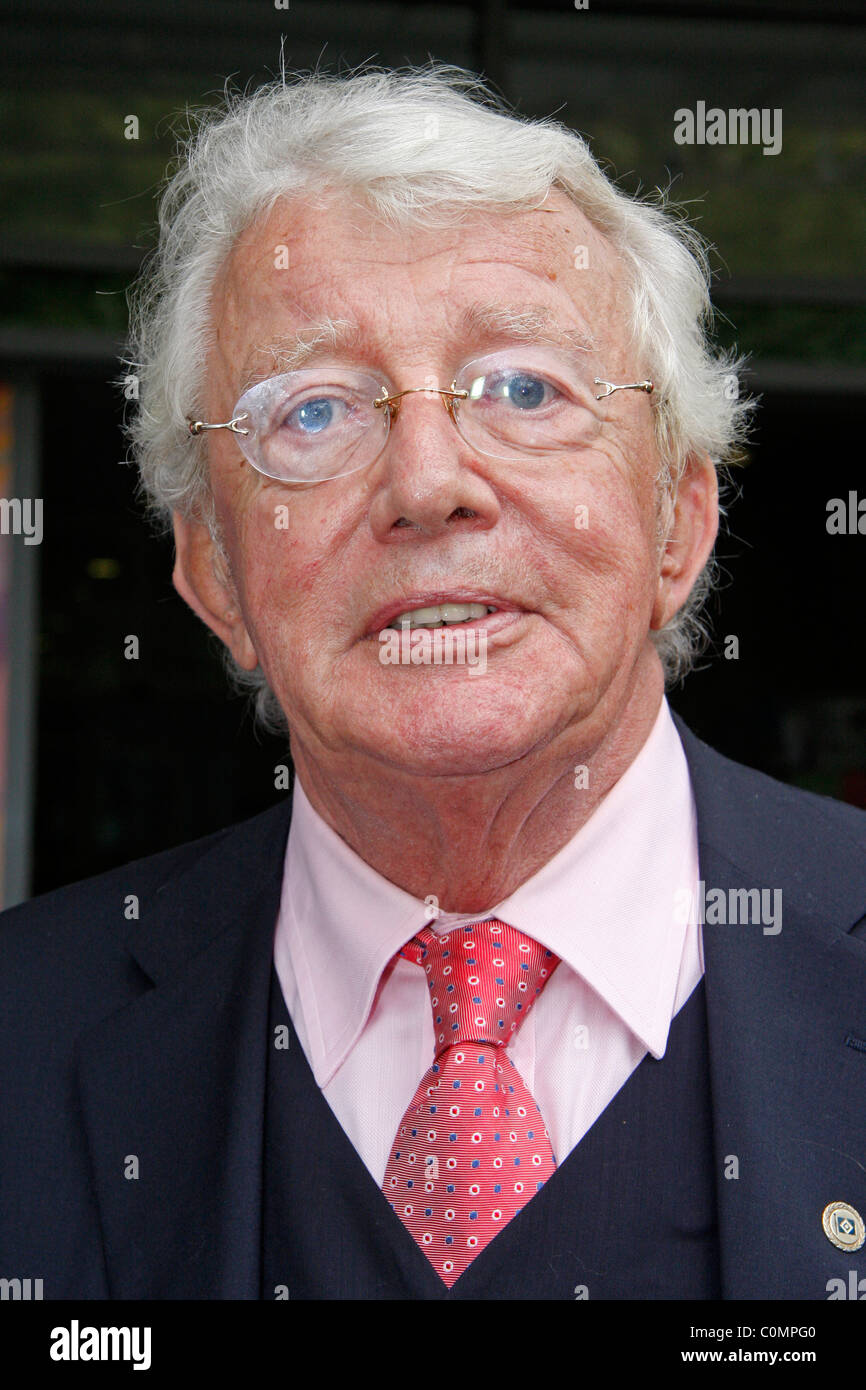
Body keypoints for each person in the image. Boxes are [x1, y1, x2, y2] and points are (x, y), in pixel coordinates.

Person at [1, 64, 864, 1302]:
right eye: (310, 413)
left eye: (523, 388)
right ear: (215, 574)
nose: (425, 478)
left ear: (677, 522)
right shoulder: (21, 1032)